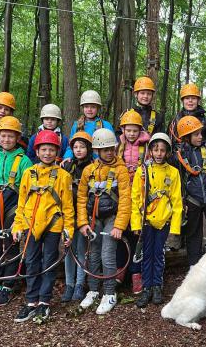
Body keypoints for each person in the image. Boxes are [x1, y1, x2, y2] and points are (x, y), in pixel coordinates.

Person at [11, 130, 74, 323]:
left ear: (57, 152)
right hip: (31, 224)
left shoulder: (63, 176)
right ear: (37, 152)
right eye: (43, 149)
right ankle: (31, 301)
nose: (47, 153)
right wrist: (17, 225)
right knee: (31, 262)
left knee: (49, 263)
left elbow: (67, 206)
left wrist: (68, 229)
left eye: (51, 149)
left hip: (53, 225)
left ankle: (44, 302)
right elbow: (22, 203)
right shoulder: (29, 174)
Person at [77, 128, 131, 315]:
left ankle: (109, 293)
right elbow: (81, 198)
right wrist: (83, 223)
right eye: (105, 149)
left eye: (112, 148)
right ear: (97, 151)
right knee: (93, 254)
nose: (110, 152)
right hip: (93, 218)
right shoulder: (88, 171)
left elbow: (125, 199)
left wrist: (119, 226)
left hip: (112, 218)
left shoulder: (120, 170)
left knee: (108, 254)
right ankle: (93, 289)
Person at [131, 133, 182, 308]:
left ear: (167, 152)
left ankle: (157, 285)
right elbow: (136, 198)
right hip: (146, 221)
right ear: (150, 151)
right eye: (156, 150)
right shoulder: (142, 171)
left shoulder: (173, 172)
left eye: (162, 150)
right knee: (147, 255)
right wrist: (136, 224)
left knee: (159, 254)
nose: (159, 153)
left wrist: (175, 228)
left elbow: (177, 201)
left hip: (163, 221)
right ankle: (146, 287)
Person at [172, 116, 206, 267]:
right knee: (193, 235)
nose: (201, 137)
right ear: (187, 137)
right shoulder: (179, 155)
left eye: (201, 133)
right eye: (196, 134)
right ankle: (194, 266)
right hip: (191, 199)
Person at [0, 117, 32, 306]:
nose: (7, 140)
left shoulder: (24, 161)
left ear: (17, 137)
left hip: (13, 207)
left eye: (10, 136)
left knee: (10, 244)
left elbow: (27, 189)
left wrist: (22, 212)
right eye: (3, 136)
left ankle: (8, 284)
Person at [116, 109, 150, 293]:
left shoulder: (147, 146)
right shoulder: (118, 146)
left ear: (140, 130)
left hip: (140, 193)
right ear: (123, 130)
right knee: (121, 231)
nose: (131, 134)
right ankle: (120, 269)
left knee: (138, 234)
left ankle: (136, 273)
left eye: (134, 130)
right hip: (121, 193)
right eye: (128, 130)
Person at [61, 132, 93, 302]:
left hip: (84, 214)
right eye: (75, 147)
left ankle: (80, 284)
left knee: (82, 249)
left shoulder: (93, 167)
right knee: (68, 249)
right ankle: (69, 284)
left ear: (88, 148)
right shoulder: (67, 166)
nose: (79, 150)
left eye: (82, 147)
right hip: (68, 213)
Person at [63, 90, 114, 160]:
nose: (89, 109)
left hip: (100, 161)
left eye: (93, 107)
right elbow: (71, 145)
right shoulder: (77, 125)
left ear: (98, 108)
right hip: (80, 161)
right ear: (83, 108)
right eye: (86, 107)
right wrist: (67, 157)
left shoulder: (106, 125)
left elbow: (112, 146)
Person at [168, 83, 206, 153]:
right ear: (182, 101)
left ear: (198, 101)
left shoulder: (205, 121)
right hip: (178, 160)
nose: (190, 101)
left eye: (193, 98)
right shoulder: (175, 120)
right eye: (187, 98)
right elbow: (169, 143)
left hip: (201, 160)